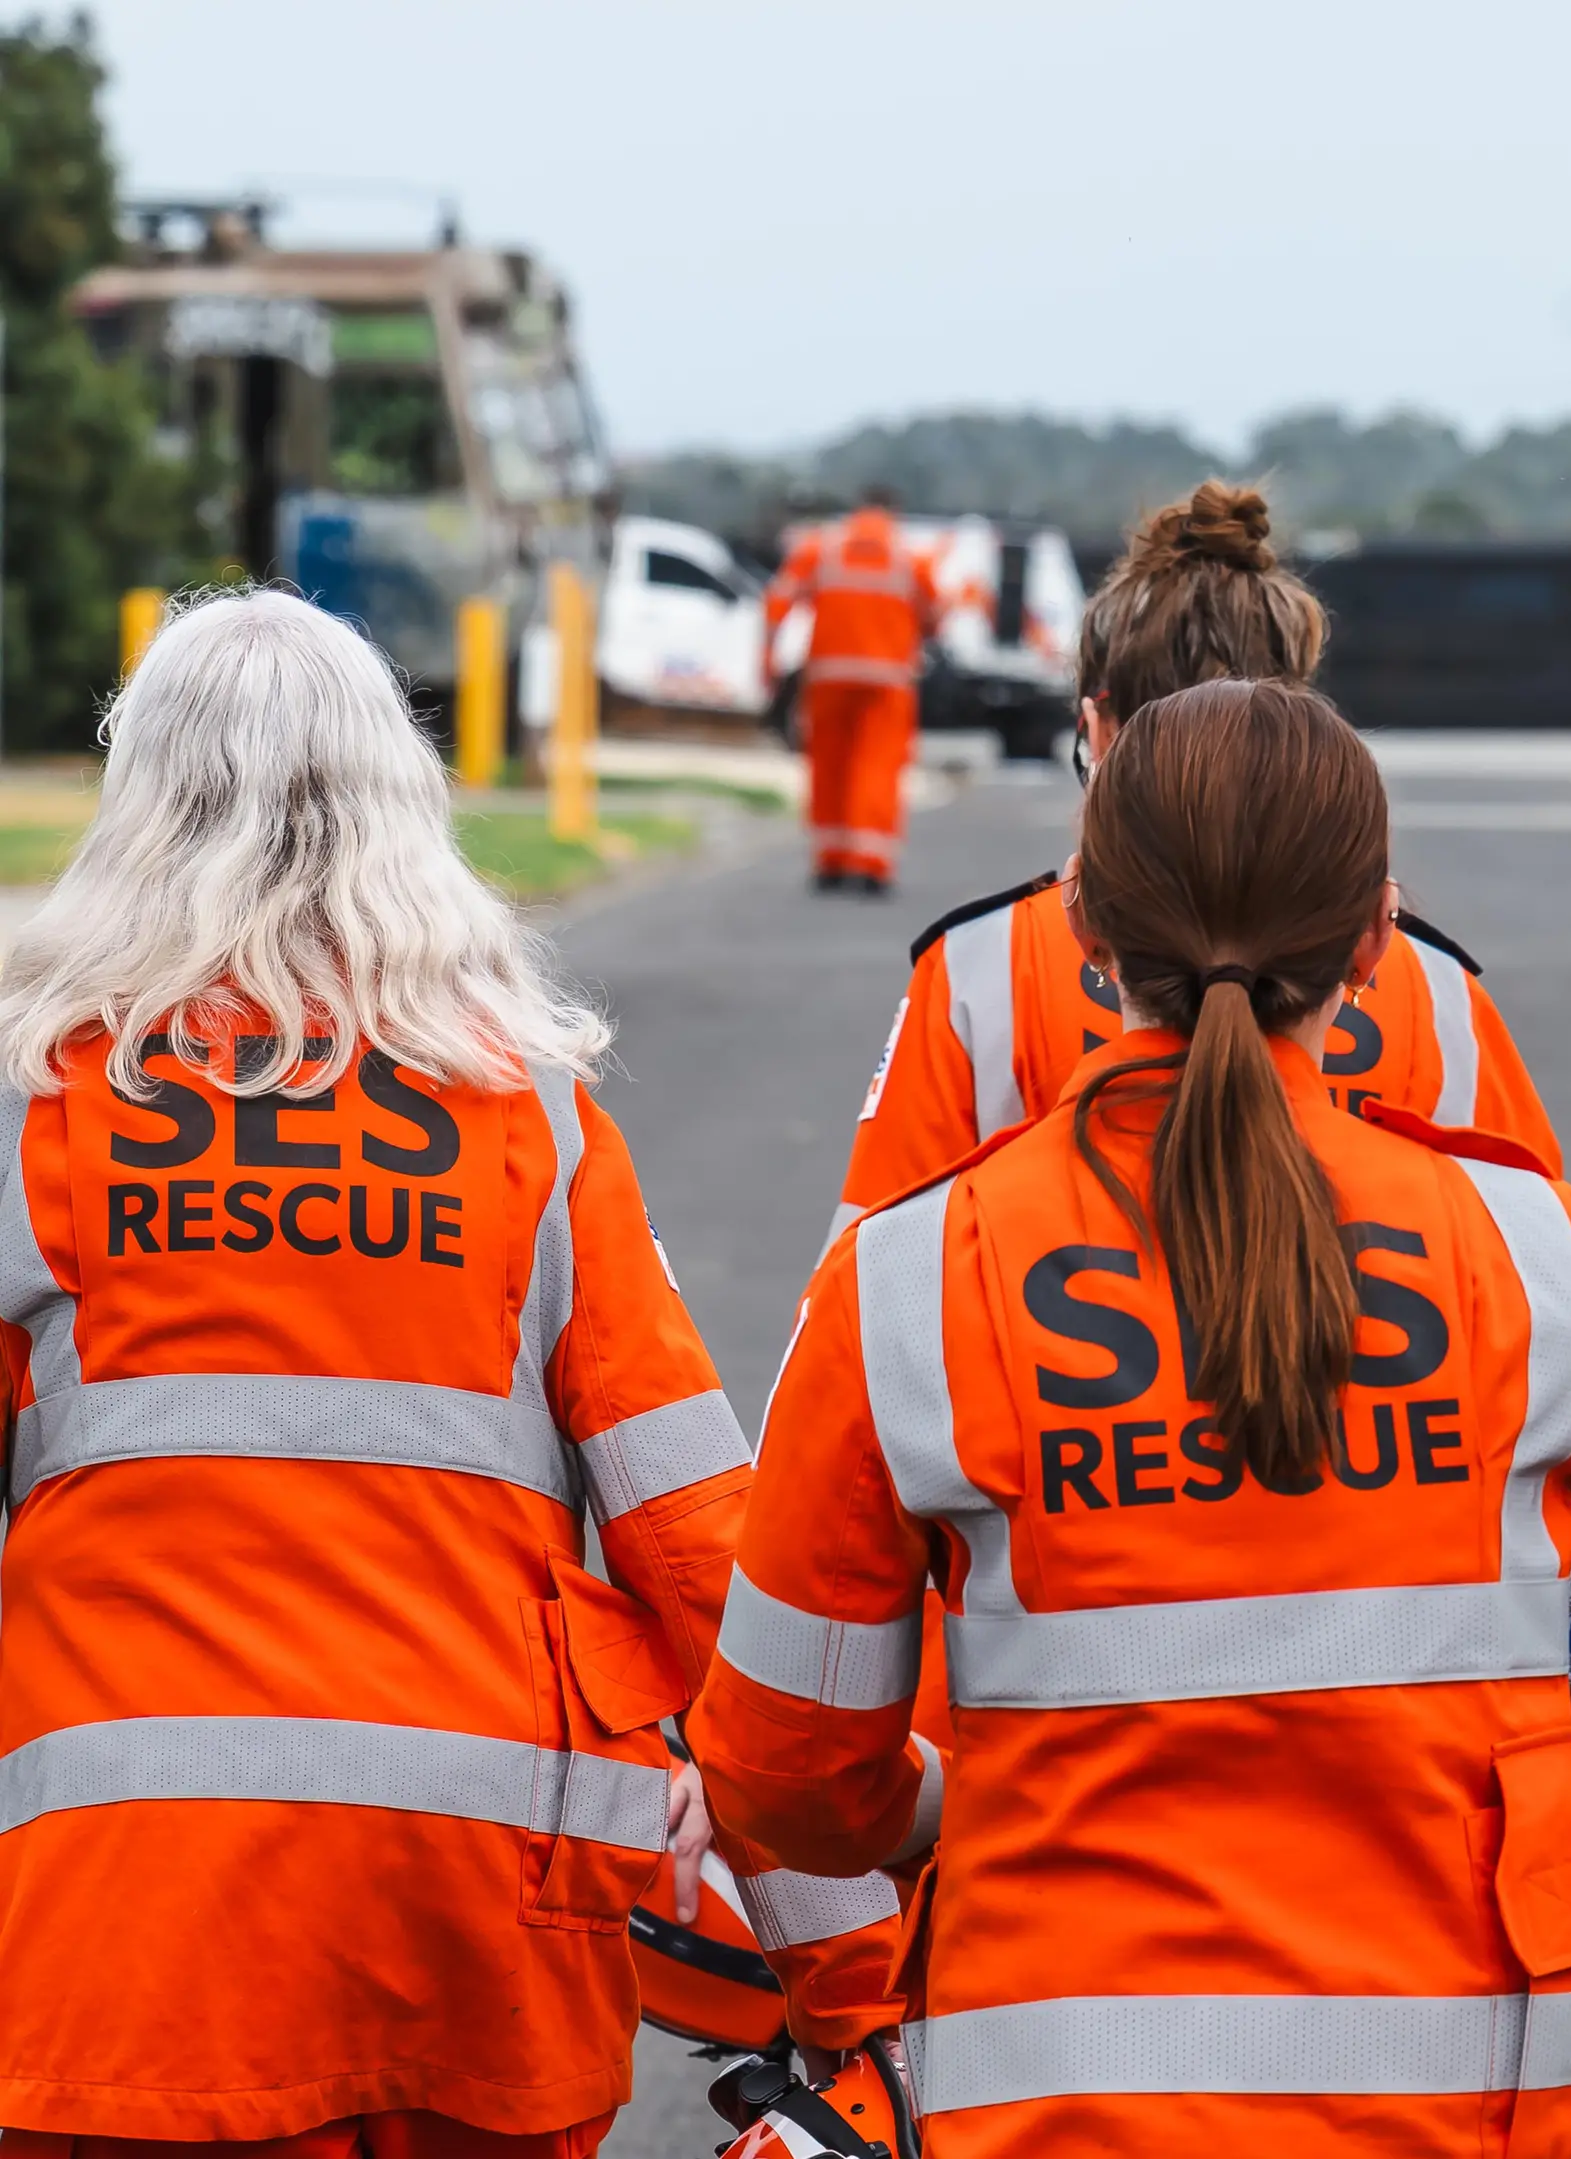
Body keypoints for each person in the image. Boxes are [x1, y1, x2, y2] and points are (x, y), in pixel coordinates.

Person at [695, 678, 1571, 2154]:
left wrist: (933, 1812)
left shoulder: (906, 1282)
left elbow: (773, 1764)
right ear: (1376, 937)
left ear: (1085, 927)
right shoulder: (1520, 1249)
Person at [0, 591, 895, 2155]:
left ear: (134, 799)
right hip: (479, 1928)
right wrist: (855, 1977)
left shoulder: (33, 1121)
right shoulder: (528, 1124)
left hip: (115, 1946)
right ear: (403, 805)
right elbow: (706, 1553)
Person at [834, 480, 1558, 1248]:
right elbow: (1541, 1275)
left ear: (1095, 729)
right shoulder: (1436, 989)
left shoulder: (982, 967)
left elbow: (874, 1280)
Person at [765, 481, 945, 896]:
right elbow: (935, 615)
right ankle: (870, 863)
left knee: (829, 762)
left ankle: (829, 859)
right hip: (887, 681)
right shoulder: (908, 557)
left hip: (828, 675)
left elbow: (778, 599)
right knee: (877, 764)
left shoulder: (822, 549)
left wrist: (769, 660)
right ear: (892, 512)